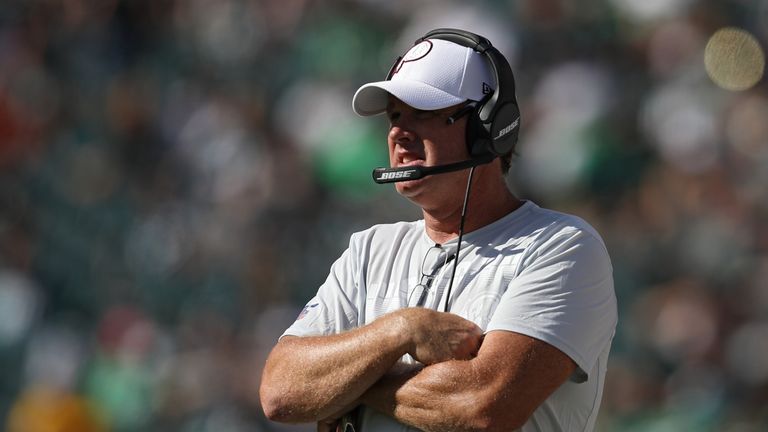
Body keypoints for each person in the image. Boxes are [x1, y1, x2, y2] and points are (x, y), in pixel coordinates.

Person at [259, 28, 617, 432]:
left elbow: (482, 407)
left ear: (489, 127)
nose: (398, 132)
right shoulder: (369, 248)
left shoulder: (562, 247)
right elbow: (280, 390)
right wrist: (402, 330)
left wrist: (352, 386)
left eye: (423, 112)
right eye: (394, 115)